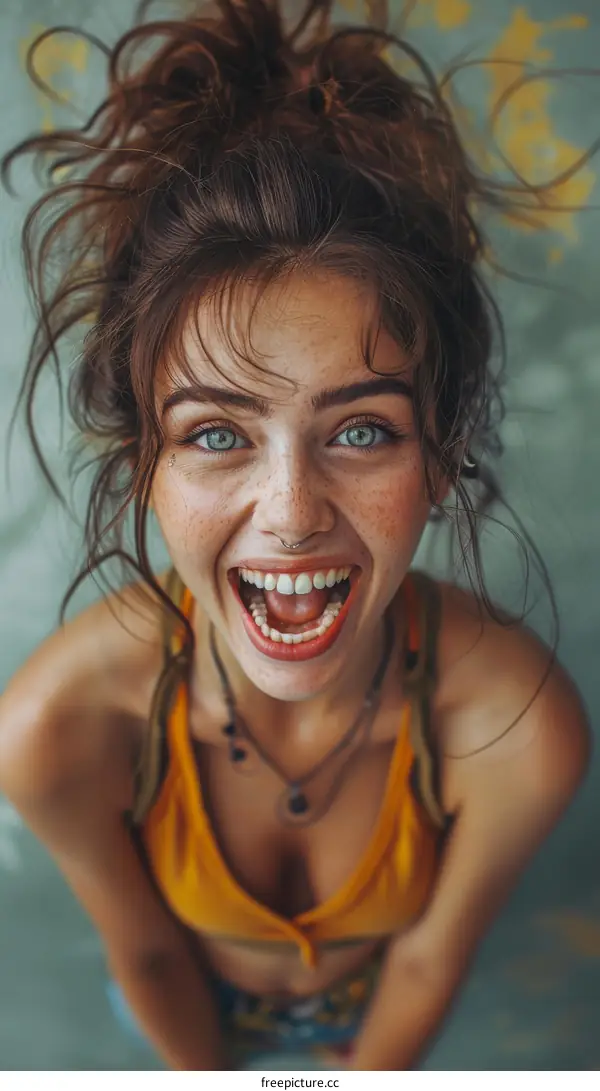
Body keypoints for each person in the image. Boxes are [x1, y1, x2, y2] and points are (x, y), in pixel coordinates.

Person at [0, 0, 590, 1072]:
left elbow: (423, 965)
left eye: (361, 429)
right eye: (218, 431)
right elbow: (149, 957)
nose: (291, 510)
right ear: (145, 462)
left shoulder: (518, 723)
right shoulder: (55, 725)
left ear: (443, 455)